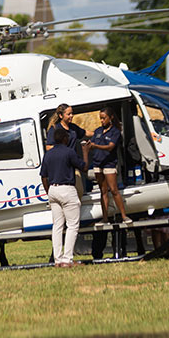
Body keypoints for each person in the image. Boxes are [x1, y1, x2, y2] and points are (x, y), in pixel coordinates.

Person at [40, 127, 90, 267]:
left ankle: (57, 259)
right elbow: (84, 167)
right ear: (64, 139)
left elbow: (43, 176)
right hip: (67, 189)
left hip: (53, 190)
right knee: (72, 225)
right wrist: (85, 152)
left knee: (57, 226)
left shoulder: (48, 154)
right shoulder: (69, 152)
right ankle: (67, 259)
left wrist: (48, 191)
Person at [87, 107, 132, 259]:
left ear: (111, 118)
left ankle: (124, 215)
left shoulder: (115, 132)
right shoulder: (98, 131)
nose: (102, 120)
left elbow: (110, 147)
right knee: (103, 191)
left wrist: (95, 146)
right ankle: (105, 217)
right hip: (98, 164)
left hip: (109, 165)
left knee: (114, 190)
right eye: (100, 118)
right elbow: (91, 142)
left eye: (104, 118)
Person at [45, 104, 88, 198]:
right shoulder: (55, 129)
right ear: (61, 116)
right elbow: (48, 147)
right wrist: (63, 151)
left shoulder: (73, 127)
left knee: (79, 191)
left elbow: (86, 133)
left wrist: (99, 133)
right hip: (63, 165)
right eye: (69, 114)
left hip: (73, 164)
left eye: (72, 113)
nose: (71, 116)